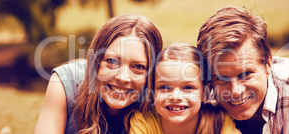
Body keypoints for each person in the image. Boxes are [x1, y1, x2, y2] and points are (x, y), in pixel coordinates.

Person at [35, 14, 163, 134]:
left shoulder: (161, 104)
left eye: (138, 67)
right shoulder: (65, 82)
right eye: (111, 61)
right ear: (95, 62)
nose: (122, 77)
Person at [128, 43, 240, 134]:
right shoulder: (143, 122)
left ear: (205, 92)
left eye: (188, 87)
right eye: (165, 87)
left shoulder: (219, 121)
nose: (176, 97)